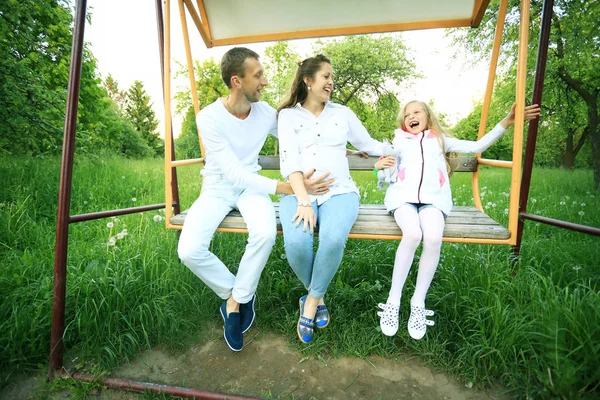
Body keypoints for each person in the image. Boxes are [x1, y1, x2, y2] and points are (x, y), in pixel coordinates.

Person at [177, 47, 333, 352]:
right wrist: (287, 188)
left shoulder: (265, 113)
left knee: (263, 234)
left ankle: (234, 304)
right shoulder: (208, 118)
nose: (265, 80)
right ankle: (236, 294)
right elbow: (233, 174)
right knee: (188, 250)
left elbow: (298, 135)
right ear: (237, 81)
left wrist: (343, 146)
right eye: (258, 75)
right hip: (218, 186)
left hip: (253, 187)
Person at [375, 100, 541, 340]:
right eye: (407, 114)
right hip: (403, 200)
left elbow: (479, 144)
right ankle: (393, 299)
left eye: (416, 112)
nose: (411, 116)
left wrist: (508, 120)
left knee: (432, 238)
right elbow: (382, 170)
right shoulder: (398, 143)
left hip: (434, 201)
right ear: (403, 122)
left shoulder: (441, 140)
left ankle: (418, 302)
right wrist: (378, 165)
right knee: (412, 234)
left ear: (427, 117)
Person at [277, 54, 387, 344]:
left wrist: (409, 145)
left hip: (339, 191)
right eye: (326, 76)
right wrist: (302, 199)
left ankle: (310, 302)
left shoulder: (342, 113)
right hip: (300, 191)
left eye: (332, 77)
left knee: (333, 238)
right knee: (297, 245)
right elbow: (289, 162)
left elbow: (369, 144)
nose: (331, 82)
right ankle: (320, 293)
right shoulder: (288, 116)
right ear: (308, 80)